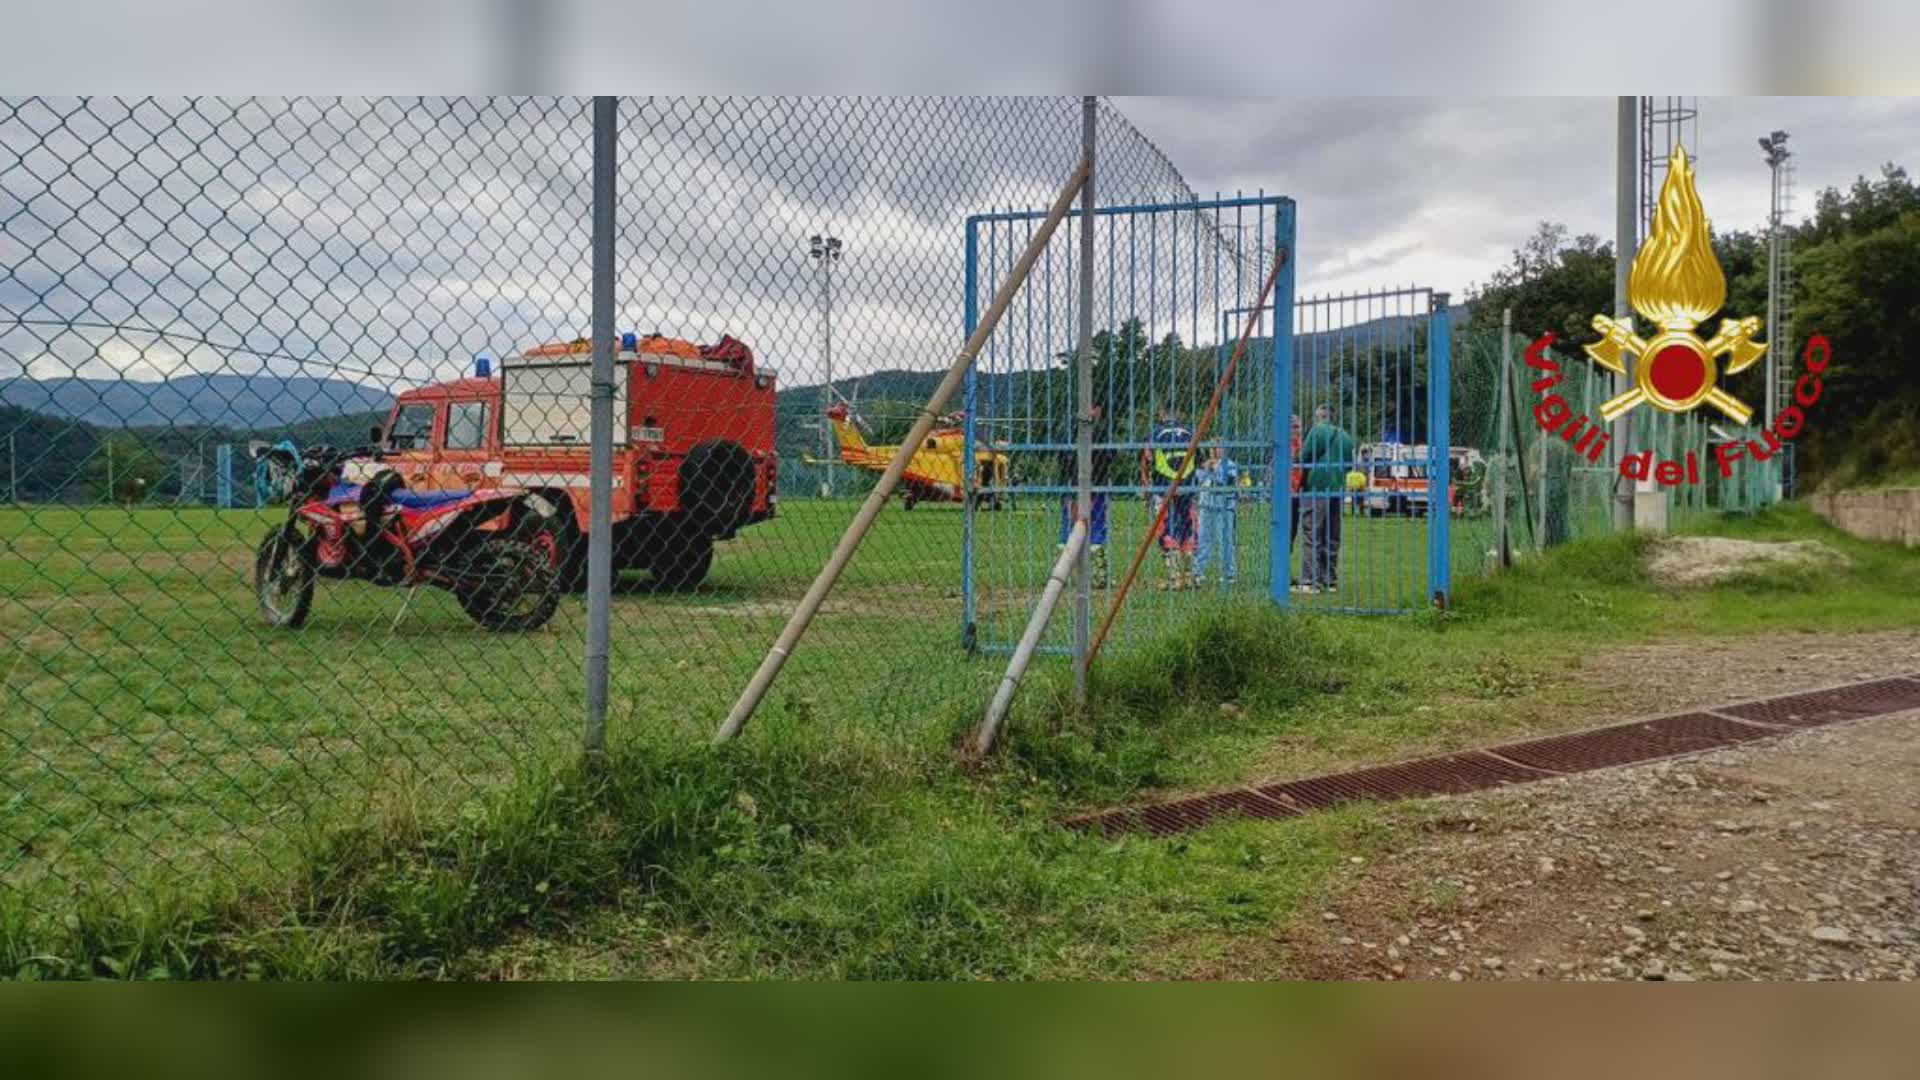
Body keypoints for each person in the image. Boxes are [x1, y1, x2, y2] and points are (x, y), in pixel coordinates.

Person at [1295, 403, 1355, 594]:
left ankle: (1309, 580)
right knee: (1331, 534)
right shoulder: (1345, 436)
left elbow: (1304, 457)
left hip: (1317, 487)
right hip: (1337, 488)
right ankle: (1329, 579)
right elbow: (1349, 465)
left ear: (1319, 416)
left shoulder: (1317, 431)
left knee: (1311, 533)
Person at [1055, 402, 1114, 587]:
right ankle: (1098, 575)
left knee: (1068, 529)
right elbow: (1110, 456)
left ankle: (1061, 575)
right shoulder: (1100, 433)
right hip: (1095, 488)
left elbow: (1061, 457)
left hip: (1070, 487)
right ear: (1095, 409)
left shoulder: (1068, 430)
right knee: (1096, 528)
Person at [1150, 407, 1198, 590]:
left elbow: (1148, 459)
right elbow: (1197, 458)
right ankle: (1189, 575)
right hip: (1187, 485)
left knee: (1166, 528)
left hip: (1164, 487)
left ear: (1162, 415)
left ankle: (1174, 576)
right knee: (1187, 526)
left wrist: (1148, 488)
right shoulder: (1190, 432)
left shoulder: (1155, 433)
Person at [1193, 445, 1240, 586]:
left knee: (1225, 540)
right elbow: (1198, 481)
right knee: (1203, 539)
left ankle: (1229, 573)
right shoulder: (1205, 465)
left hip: (1223, 508)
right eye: (1213, 448)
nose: (1215, 450)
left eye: (1219, 448)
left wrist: (1215, 470)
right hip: (1206, 506)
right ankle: (1198, 571)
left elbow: (1230, 483)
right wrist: (1205, 469)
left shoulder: (1230, 465)